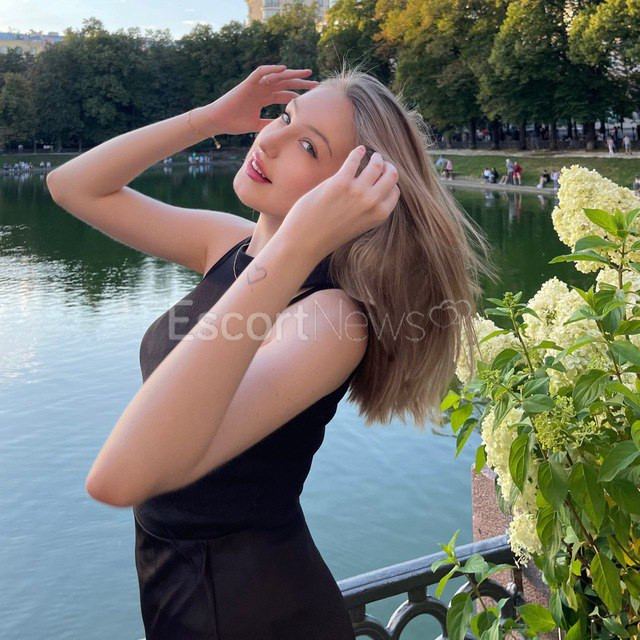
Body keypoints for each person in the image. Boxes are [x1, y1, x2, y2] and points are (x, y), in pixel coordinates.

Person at [46, 62, 492, 639]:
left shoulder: (330, 318)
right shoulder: (228, 245)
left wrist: (300, 244)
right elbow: (73, 186)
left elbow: (118, 478)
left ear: (353, 193)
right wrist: (209, 120)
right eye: (284, 117)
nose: (270, 141)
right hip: (179, 594)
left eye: (308, 146)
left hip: (253, 611)